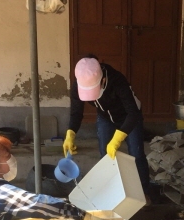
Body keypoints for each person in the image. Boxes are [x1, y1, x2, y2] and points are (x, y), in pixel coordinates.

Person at [64, 55, 151, 200]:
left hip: (129, 117)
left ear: (103, 80)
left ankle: (143, 193)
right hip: (105, 117)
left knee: (136, 155)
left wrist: (117, 139)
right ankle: (110, 194)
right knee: (105, 155)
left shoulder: (117, 80)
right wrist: (70, 134)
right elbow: (76, 112)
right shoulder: (79, 83)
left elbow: (133, 113)